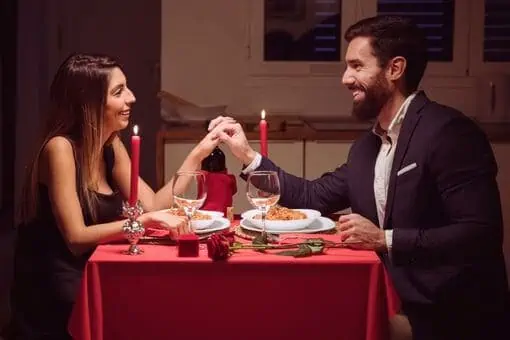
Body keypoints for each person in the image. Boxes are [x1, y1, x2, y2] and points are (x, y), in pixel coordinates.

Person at [210, 15, 509, 340]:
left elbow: (480, 234)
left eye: (356, 66)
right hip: (391, 299)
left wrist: (385, 239)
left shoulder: (450, 133)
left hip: (448, 316)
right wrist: (246, 154)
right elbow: (312, 197)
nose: (345, 78)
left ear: (395, 69)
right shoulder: (367, 147)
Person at [5, 53, 227, 340]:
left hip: (96, 270)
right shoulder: (60, 149)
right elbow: (76, 238)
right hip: (58, 287)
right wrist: (145, 222)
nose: (132, 98)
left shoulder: (110, 144)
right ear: (89, 103)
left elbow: (154, 204)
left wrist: (199, 153)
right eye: (119, 92)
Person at [200, 146, 237, 215]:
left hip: (204, 215)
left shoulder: (202, 178)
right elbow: (234, 191)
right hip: (223, 215)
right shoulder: (229, 179)